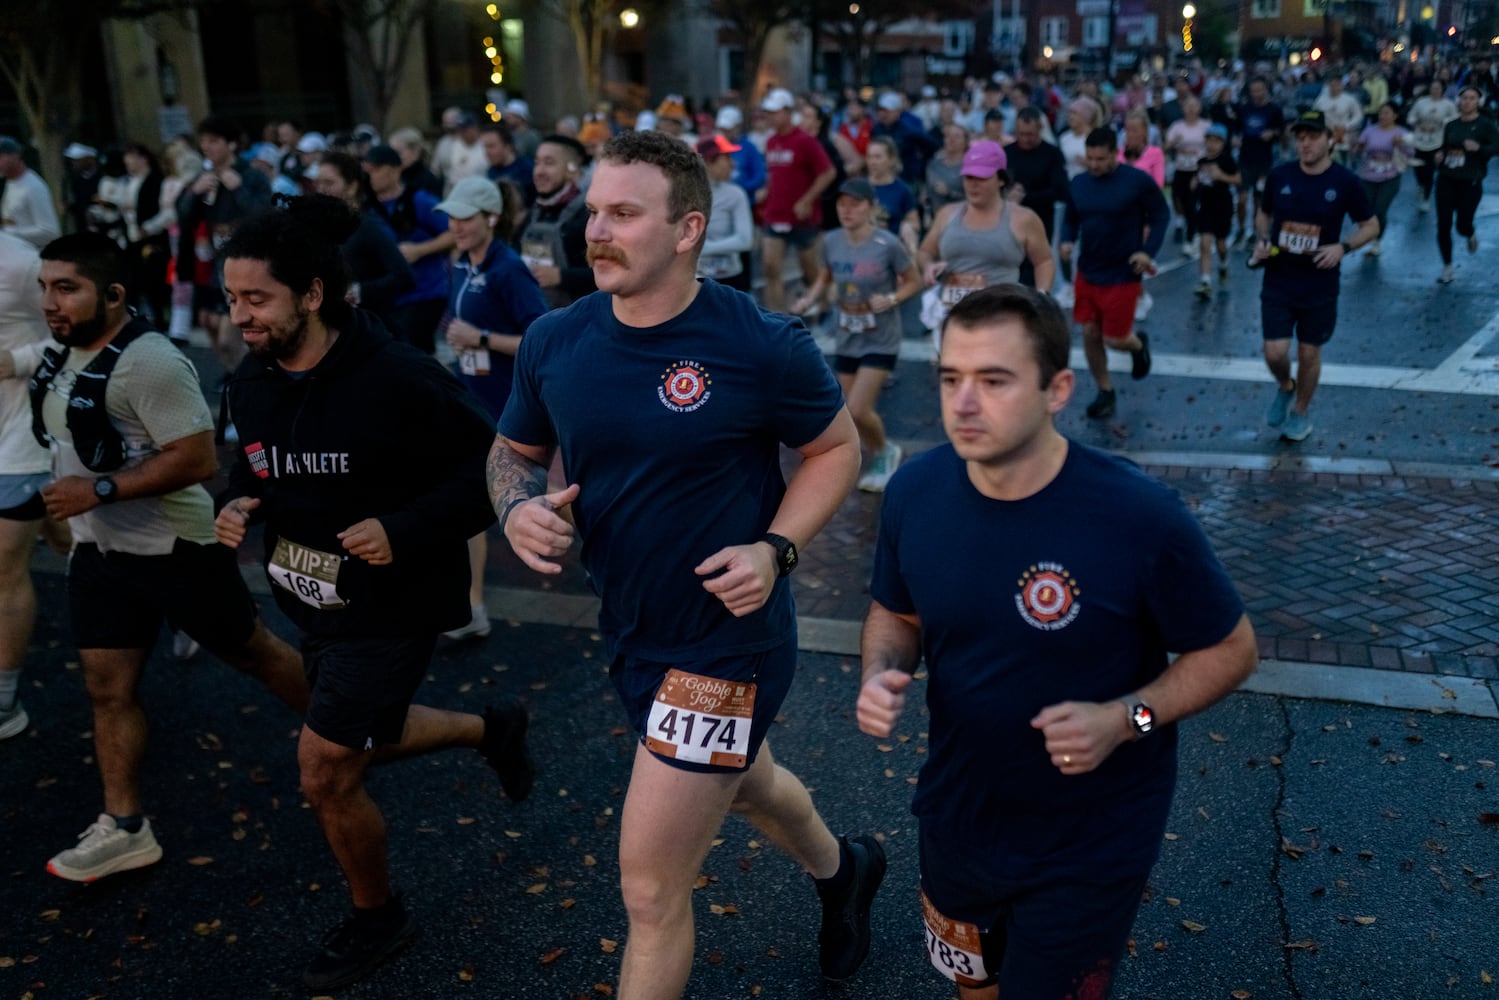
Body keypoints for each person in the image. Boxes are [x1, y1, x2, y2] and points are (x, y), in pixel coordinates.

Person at [490, 129, 884, 999]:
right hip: (634, 633)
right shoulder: (555, 339)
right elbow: (510, 451)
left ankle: (839, 870)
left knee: (649, 887)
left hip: (727, 643)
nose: (596, 230)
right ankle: (844, 869)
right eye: (593, 210)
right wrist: (515, 506)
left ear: (687, 229)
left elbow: (835, 449)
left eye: (624, 213)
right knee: (747, 783)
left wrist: (774, 549)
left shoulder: (758, 341)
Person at [856, 284, 1258, 1000]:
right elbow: (897, 614)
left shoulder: (1137, 517)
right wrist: (882, 672)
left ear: (1057, 389)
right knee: (972, 987)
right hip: (957, 818)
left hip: (1090, 838)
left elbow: (1229, 651)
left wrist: (1125, 719)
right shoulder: (914, 492)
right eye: (950, 378)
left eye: (994, 380)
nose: (964, 402)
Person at [213, 197, 534, 991]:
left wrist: (405, 526)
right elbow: (254, 465)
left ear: (313, 294)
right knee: (363, 735)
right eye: (230, 298)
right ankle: (489, 729)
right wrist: (238, 500)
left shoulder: (397, 378)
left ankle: (378, 916)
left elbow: (495, 472)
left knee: (324, 766)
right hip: (310, 602)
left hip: (392, 607)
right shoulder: (249, 382)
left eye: (257, 300)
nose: (239, 316)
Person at [28, 232, 310, 880]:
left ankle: (350, 734)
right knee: (107, 689)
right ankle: (125, 826)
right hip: (101, 552)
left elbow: (198, 458)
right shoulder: (61, 354)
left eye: (66, 287)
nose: (51, 301)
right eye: (45, 287)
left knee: (257, 656)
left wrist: (97, 488)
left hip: (176, 549)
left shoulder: (150, 361)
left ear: (115, 294)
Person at [435, 176, 547, 640]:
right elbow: (456, 321)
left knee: (517, 501)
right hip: (471, 399)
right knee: (471, 503)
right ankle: (471, 606)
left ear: (492, 219)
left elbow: (541, 339)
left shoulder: (508, 269)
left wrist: (480, 339)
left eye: (466, 218)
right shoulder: (461, 263)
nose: (457, 226)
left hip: (509, 404)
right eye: (453, 217)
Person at [1251, 111, 1377, 442]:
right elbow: (1263, 214)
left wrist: (1344, 247)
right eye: (1300, 137)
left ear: (1329, 140)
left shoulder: (1345, 182)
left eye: (1313, 137)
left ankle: (1301, 413)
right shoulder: (1280, 176)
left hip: (1320, 282)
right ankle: (1285, 386)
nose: (1305, 143)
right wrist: (1262, 240)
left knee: (1309, 353)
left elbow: (1372, 225)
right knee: (1274, 352)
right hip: (1279, 276)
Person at [791, 177, 920, 492]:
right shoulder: (831, 241)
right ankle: (878, 450)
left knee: (860, 407)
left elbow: (913, 281)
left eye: (855, 204)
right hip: (848, 334)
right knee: (848, 409)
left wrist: (891, 299)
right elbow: (826, 276)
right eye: (842, 204)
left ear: (871, 207)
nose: (847, 211)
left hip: (881, 336)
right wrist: (810, 298)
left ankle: (885, 451)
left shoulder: (887, 244)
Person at [1059, 128, 1169, 420]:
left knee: (1114, 337)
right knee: (1090, 333)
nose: (1094, 165)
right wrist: (1066, 240)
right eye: (1090, 158)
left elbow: (1161, 215)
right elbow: (1070, 217)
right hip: (1089, 270)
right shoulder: (1079, 182)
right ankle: (1105, 391)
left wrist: (1148, 251)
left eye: (1101, 159)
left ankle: (1137, 344)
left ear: (1114, 153)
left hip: (1123, 272)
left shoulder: (1136, 181)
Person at [0, 232, 53, 739]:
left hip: (22, 433)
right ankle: (168, 602)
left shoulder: (19, 263)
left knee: (3, 563)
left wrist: (13, 362)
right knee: (73, 536)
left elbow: (74, 328)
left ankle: (4, 703)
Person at [175, 115, 273, 376]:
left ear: (231, 144)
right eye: (204, 141)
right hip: (219, 265)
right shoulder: (206, 178)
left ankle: (254, 382)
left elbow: (265, 215)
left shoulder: (251, 176)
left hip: (252, 264)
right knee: (217, 332)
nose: (207, 146)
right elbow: (184, 220)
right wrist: (195, 194)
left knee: (236, 337)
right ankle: (239, 381)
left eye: (214, 141)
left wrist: (239, 188)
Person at [921, 140, 1055, 319]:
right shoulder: (947, 214)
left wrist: (1042, 297)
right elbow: (924, 251)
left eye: (981, 177)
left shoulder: (1023, 218)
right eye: (969, 177)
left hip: (999, 317)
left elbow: (1044, 261)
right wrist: (928, 266)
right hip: (952, 317)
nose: (973, 184)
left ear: (1001, 179)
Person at [363, 143, 454, 354]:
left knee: (415, 352)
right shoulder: (367, 208)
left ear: (395, 169)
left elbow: (453, 234)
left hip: (425, 292)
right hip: (388, 297)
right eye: (367, 171)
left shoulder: (419, 200)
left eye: (376, 170)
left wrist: (420, 250)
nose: (371, 176)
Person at [311, 152, 415, 325]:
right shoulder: (320, 227)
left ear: (352, 187)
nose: (321, 189)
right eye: (318, 183)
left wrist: (358, 291)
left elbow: (404, 277)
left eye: (329, 183)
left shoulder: (368, 227)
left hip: (371, 329)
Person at [758, 88, 838, 313]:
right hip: (775, 214)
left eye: (775, 112)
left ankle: (822, 310)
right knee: (770, 267)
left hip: (803, 218)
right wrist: (766, 190)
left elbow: (828, 172)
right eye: (768, 113)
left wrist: (807, 199)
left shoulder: (805, 141)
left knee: (810, 271)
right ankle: (776, 317)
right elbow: (774, 174)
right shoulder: (771, 141)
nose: (770, 117)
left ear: (787, 112)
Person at [516, 135, 595, 309]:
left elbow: (609, 275)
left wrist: (562, 276)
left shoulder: (588, 216)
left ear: (571, 170)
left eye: (549, 163)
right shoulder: (533, 213)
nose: (539, 171)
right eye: (537, 163)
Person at [1433, 86, 1499, 285]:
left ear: (1478, 102)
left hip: (1470, 181)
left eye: (1472, 98)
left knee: (1462, 224)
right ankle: (1447, 266)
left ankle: (1469, 234)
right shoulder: (1451, 125)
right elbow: (1446, 147)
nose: (1467, 102)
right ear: (1458, 101)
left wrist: (1480, 148)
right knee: (1443, 224)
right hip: (1446, 178)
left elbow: (1496, 147)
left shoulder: (1485, 125)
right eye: (1464, 98)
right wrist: (1440, 156)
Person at [1003, 108, 1069, 289]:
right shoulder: (1007, 153)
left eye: (1030, 134)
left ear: (1040, 129)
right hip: (1008, 220)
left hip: (1040, 219)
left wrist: (1026, 197)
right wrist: (1007, 195)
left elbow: (1060, 190)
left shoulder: (1052, 154)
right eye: (1021, 134)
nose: (1025, 139)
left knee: (1035, 268)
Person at [1352, 103, 1414, 257]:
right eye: (1380, 113)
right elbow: (1358, 152)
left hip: (1390, 176)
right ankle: (1367, 235)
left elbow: (1410, 154)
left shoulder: (1401, 132)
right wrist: (1357, 146)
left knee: (1380, 209)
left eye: (1386, 113)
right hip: (1368, 175)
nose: (1382, 116)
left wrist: (1400, 145)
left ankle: (1376, 242)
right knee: (1367, 209)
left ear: (1395, 115)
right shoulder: (1370, 130)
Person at [696, 134, 755, 292]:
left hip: (731, 280)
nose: (732, 164)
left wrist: (702, 248)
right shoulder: (685, 194)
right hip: (695, 281)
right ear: (709, 163)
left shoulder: (735, 194)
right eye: (727, 158)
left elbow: (745, 240)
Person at [1234, 77, 1286, 245]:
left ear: (1266, 90)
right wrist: (1235, 138)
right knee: (1241, 198)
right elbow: (1236, 128)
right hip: (1245, 158)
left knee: (1259, 199)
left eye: (1260, 90)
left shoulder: (1274, 109)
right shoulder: (1244, 108)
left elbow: (1282, 131)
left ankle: (1255, 232)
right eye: (1253, 90)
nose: (1256, 93)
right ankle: (1241, 228)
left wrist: (1273, 133)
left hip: (1264, 160)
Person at [1191, 124, 1241, 297]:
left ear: (1222, 143)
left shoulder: (1227, 160)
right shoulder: (1201, 161)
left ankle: (1223, 264)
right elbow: (1196, 181)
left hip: (1223, 206)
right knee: (1204, 243)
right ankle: (1205, 281)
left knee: (1220, 244)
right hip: (1205, 206)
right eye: (1209, 140)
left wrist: (1222, 176)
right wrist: (1194, 183)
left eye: (1216, 141)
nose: (1212, 144)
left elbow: (1238, 179)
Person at [1164, 96, 1210, 253]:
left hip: (1198, 170)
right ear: (1183, 109)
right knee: (1179, 201)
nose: (1191, 109)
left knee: (1191, 203)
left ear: (1199, 108)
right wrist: (1174, 142)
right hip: (1181, 169)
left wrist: (1200, 156)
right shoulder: (1177, 126)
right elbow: (1166, 146)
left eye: (1194, 105)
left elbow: (1213, 147)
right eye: (1188, 106)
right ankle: (1192, 228)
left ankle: (1191, 238)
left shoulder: (1205, 126)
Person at [1407, 79, 1459, 213]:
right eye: (1432, 87)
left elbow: (1454, 119)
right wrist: (1417, 122)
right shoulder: (1421, 102)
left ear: (1443, 89)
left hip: (1437, 141)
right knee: (1418, 166)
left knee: (1429, 170)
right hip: (1420, 139)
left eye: (1437, 88)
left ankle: (1425, 198)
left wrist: (1442, 122)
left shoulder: (1448, 104)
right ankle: (1421, 185)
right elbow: (1410, 117)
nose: (1435, 90)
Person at [0, 137, 61, 249]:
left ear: (15, 156)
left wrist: (8, 234)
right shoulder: (10, 182)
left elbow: (50, 232)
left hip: (35, 258)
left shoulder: (33, 187)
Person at [865, 137, 919, 255]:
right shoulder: (859, 187)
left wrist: (905, 228)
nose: (872, 162)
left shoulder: (902, 190)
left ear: (892, 160)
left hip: (891, 247)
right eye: (869, 157)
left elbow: (915, 223)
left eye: (878, 157)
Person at [480, 121, 536, 208]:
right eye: (485, 147)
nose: (487, 152)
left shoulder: (528, 170)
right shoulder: (491, 172)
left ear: (508, 146)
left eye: (491, 146)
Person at [926, 123, 969, 214]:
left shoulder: (969, 168)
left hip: (960, 217)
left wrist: (949, 193)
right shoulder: (934, 163)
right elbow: (928, 188)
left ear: (965, 142)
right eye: (948, 136)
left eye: (957, 137)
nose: (951, 140)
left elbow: (973, 199)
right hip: (934, 216)